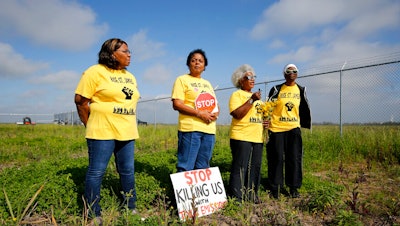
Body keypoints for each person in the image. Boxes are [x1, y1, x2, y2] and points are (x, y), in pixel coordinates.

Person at [74, 38, 140, 223]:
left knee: (127, 171)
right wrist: (91, 124)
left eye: (129, 51)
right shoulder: (95, 72)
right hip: (102, 131)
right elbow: (81, 101)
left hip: (126, 131)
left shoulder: (130, 76)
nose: (129, 54)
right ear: (112, 54)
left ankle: (130, 207)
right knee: (96, 172)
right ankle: (93, 213)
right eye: (125, 51)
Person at [265, 63, 311, 199]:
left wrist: (304, 124)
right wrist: (265, 122)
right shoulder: (276, 89)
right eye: (289, 71)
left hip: (293, 129)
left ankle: (294, 187)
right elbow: (268, 107)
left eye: (294, 71)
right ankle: (275, 188)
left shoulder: (301, 90)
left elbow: (304, 107)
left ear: (297, 74)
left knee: (294, 159)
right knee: (276, 158)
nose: (292, 73)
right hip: (276, 129)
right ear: (284, 74)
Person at [171, 49, 219, 172]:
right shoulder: (182, 80)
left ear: (205, 66)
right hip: (190, 129)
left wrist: (215, 113)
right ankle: (182, 191)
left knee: (203, 166)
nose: (197, 63)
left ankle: (197, 192)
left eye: (200, 61)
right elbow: (177, 104)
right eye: (193, 60)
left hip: (209, 130)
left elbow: (215, 104)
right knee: (186, 166)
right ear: (188, 64)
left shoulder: (207, 83)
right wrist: (199, 113)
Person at [228, 64, 263, 203]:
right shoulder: (236, 95)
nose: (252, 79)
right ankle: (236, 196)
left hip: (257, 137)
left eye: (254, 77)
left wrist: (266, 122)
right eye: (249, 77)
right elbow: (237, 114)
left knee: (255, 166)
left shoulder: (257, 98)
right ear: (240, 80)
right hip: (241, 136)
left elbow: (259, 116)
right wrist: (251, 100)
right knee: (240, 166)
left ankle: (252, 193)